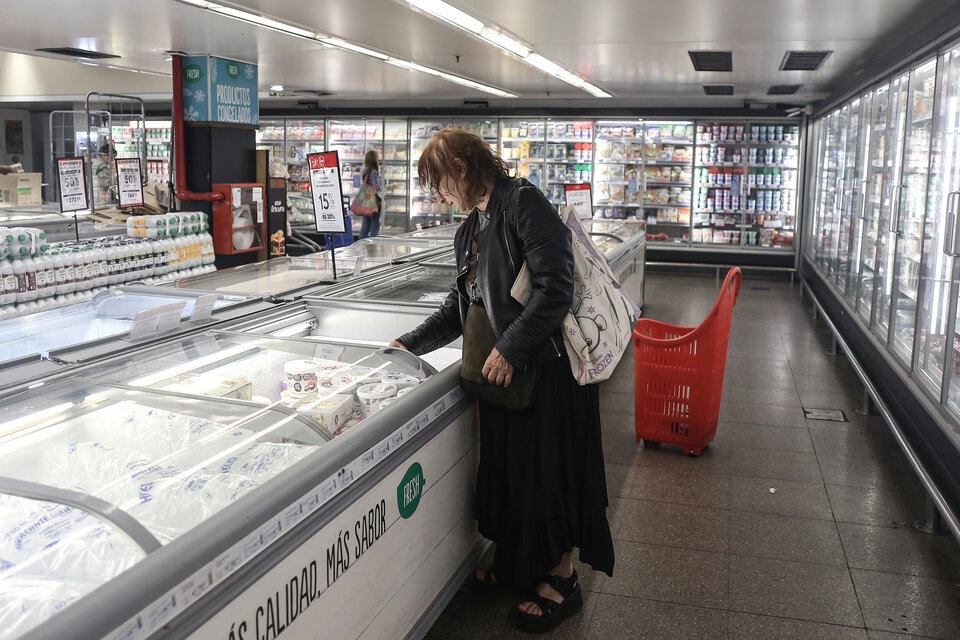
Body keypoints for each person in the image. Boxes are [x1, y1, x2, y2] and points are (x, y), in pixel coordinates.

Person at [389, 127, 614, 633]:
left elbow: (556, 288)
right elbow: (459, 304)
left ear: (462, 169)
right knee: (517, 480)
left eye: (440, 183)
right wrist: (409, 344)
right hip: (507, 381)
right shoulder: (472, 227)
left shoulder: (524, 204)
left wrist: (511, 348)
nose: (439, 195)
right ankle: (519, 564)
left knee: (551, 478)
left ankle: (562, 578)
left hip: (547, 374)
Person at [357, 149, 383, 239]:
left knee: (365, 226)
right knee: (374, 226)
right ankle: (373, 247)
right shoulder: (374, 172)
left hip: (365, 201)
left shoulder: (365, 171)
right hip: (373, 202)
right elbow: (377, 187)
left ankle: (361, 244)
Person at [92, 142, 117, 207]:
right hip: (102, 201)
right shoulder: (102, 167)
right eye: (111, 158)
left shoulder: (96, 163)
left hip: (97, 200)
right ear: (105, 155)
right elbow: (105, 185)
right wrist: (116, 179)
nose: (111, 160)